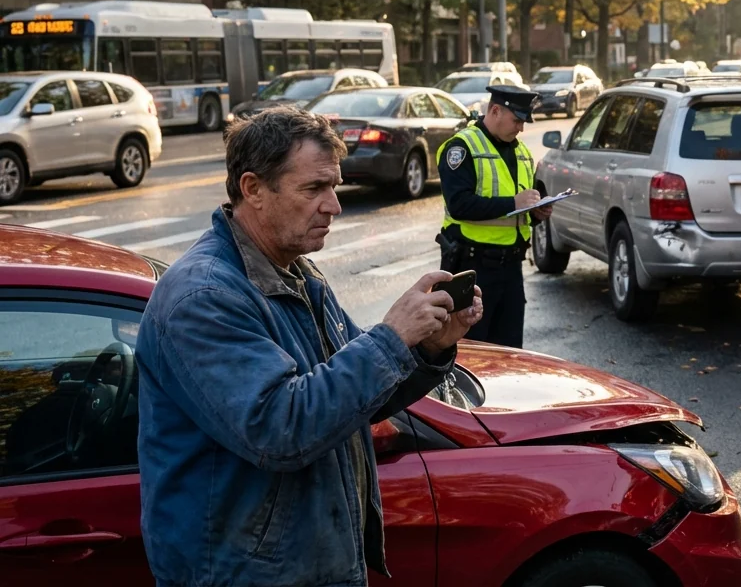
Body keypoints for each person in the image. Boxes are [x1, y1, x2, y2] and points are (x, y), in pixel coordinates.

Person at [137, 107, 485, 586]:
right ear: (253, 189)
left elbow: (354, 400)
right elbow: (281, 427)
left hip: (306, 568)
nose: (333, 205)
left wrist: (428, 349)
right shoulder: (204, 298)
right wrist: (391, 338)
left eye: (333, 187)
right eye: (313, 189)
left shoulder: (295, 270)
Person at [436, 85, 549, 349]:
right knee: (469, 354)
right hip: (473, 268)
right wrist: (513, 203)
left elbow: (522, 208)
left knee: (509, 354)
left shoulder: (521, 151)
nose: (521, 128)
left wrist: (538, 212)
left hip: (511, 269)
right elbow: (459, 206)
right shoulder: (462, 147)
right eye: (517, 120)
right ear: (495, 110)